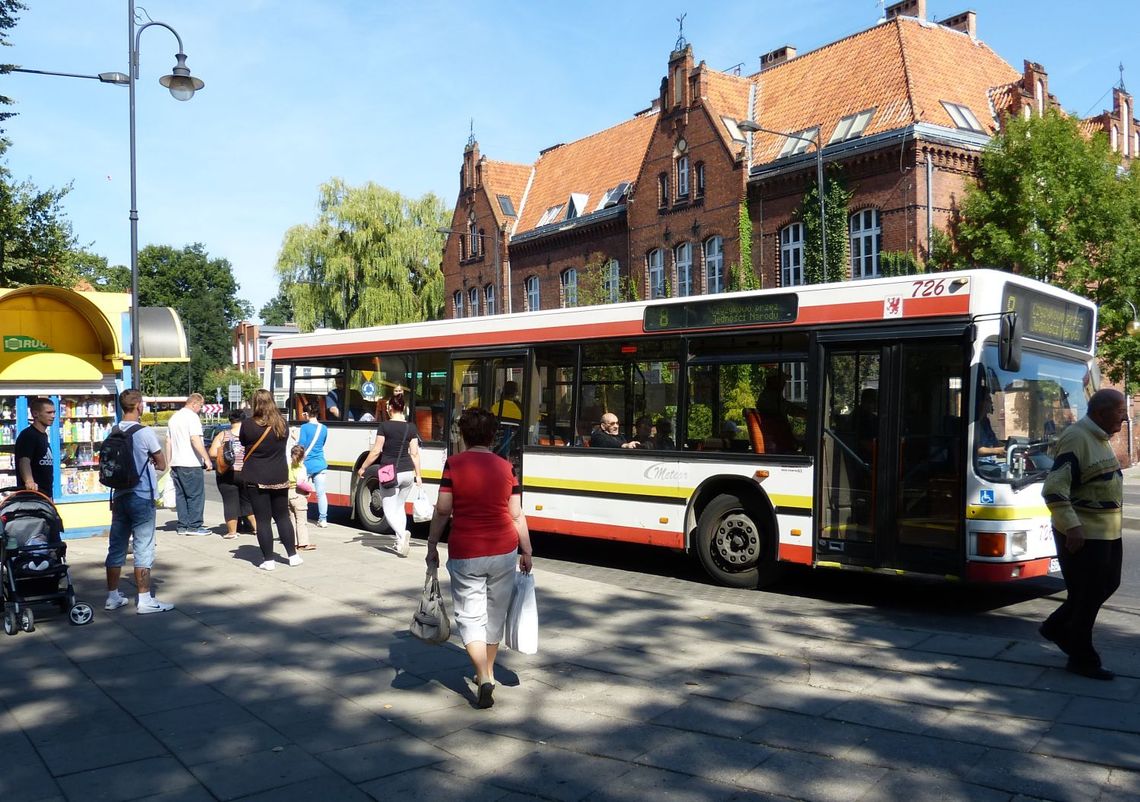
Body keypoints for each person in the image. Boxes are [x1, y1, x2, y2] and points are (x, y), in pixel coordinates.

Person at [426, 407, 534, 709]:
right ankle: (486, 673)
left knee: (470, 616)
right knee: (495, 613)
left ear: (463, 434)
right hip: (503, 549)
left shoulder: (454, 464)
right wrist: (526, 549)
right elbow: (516, 513)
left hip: (466, 550)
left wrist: (432, 543)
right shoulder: (506, 467)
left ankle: (484, 675)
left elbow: (444, 509)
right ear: (492, 435)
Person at [1039, 389, 1127, 681]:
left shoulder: (1100, 438)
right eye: (1119, 411)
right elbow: (1054, 488)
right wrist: (1072, 526)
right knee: (1088, 595)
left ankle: (1055, 627)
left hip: (1107, 531)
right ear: (1101, 412)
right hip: (1085, 534)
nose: (1125, 417)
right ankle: (1082, 658)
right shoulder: (1077, 438)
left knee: (1105, 585)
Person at [104, 389, 172, 614]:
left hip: (119, 494)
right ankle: (144, 600)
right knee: (143, 547)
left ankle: (112, 596)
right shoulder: (144, 432)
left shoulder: (113, 431)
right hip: (141, 495)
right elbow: (162, 464)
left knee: (116, 547)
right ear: (139, 406)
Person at [358, 387, 422, 558]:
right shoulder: (411, 427)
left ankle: (402, 533)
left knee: (388, 509)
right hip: (408, 472)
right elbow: (415, 453)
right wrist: (418, 475)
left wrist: (363, 467)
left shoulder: (385, 426)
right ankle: (401, 543)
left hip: (389, 472)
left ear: (391, 408)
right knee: (399, 506)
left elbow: (376, 451)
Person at [241, 389, 301, 571]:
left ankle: (268, 560)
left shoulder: (248, 425)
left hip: (256, 476)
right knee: (282, 516)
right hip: (279, 475)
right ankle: (293, 555)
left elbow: (244, 442)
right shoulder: (282, 423)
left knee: (263, 520)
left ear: (254, 403)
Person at [167, 393, 213, 536]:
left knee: (181, 495)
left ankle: (182, 525)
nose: (200, 409)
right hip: (191, 462)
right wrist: (206, 458)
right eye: (200, 406)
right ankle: (194, 526)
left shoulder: (174, 418)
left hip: (176, 462)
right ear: (194, 404)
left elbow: (168, 442)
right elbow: (195, 440)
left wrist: (170, 462)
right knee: (195, 495)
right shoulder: (192, 417)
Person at [208, 409, 256, 540]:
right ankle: (257, 528)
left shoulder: (223, 435)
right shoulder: (250, 435)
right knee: (249, 502)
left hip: (227, 473)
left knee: (230, 502)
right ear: (244, 419)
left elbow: (212, 453)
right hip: (247, 473)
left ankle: (232, 532)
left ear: (230, 420)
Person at [297, 402, 329, 528]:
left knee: (301, 493)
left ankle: (301, 518)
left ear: (306, 414)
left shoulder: (304, 428)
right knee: (321, 494)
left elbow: (301, 446)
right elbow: (322, 444)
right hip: (320, 464)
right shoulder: (324, 428)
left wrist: (295, 438)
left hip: (306, 465)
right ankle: (323, 519)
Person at [15, 397, 55, 495]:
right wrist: (29, 481)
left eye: (54, 412)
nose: (53, 416)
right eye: (48, 413)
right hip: (32, 495)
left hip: (45, 494)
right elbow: (24, 461)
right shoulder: (28, 435)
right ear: (35, 414)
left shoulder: (43, 435)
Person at [288, 444, 314, 551]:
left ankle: (292, 543)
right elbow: (300, 483)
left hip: (288, 494)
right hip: (298, 494)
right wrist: (309, 489)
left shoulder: (288, 466)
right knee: (301, 521)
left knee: (292, 520)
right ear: (303, 457)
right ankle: (303, 544)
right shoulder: (301, 468)